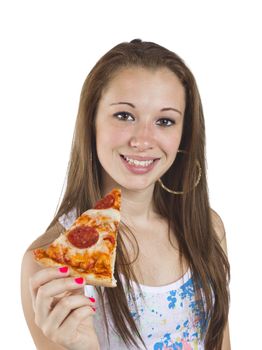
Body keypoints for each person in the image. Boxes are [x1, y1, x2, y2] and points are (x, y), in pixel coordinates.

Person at [21, 39, 231, 350]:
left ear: (183, 134)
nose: (143, 140)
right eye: (124, 116)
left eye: (164, 121)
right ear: (91, 121)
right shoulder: (52, 265)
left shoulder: (206, 228)